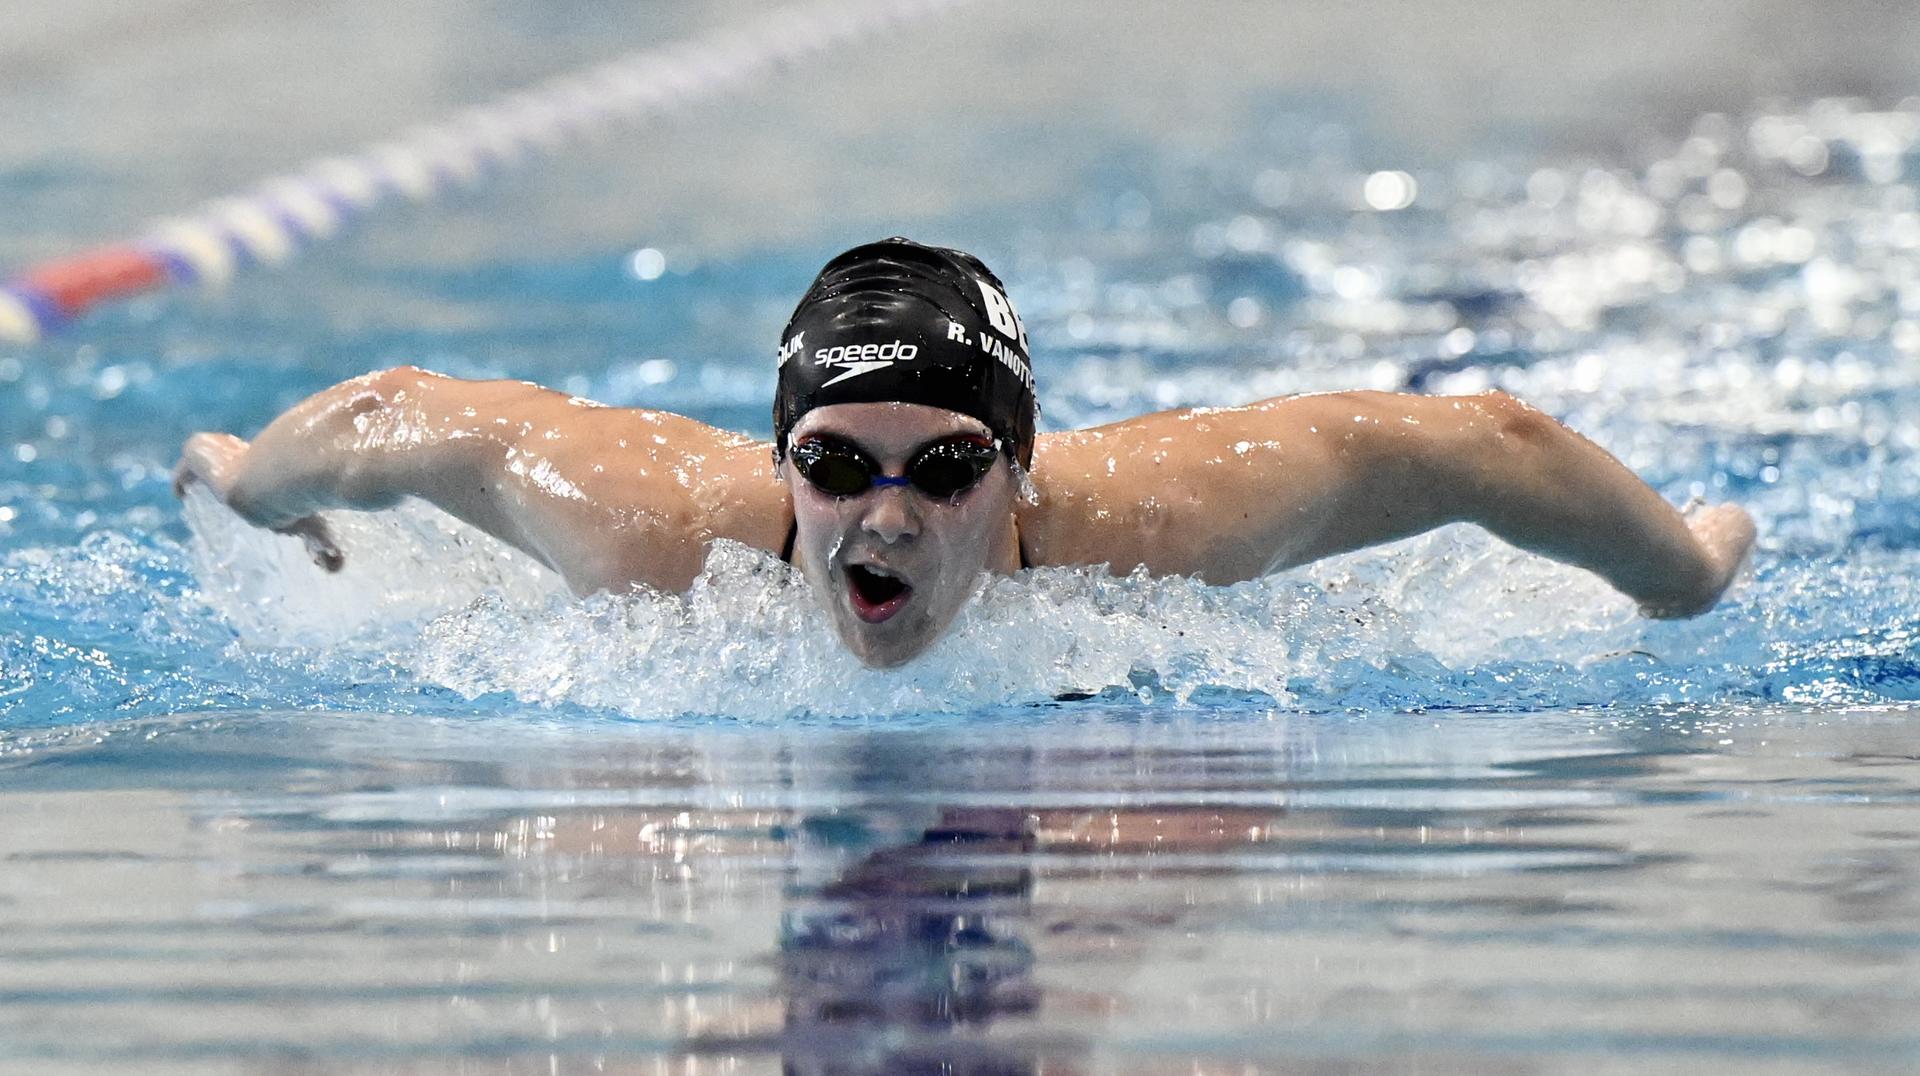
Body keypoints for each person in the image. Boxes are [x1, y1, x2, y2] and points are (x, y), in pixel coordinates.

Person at [174, 237, 1756, 667]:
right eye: (833, 463)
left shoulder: (1159, 530)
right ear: (775, 453)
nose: (881, 517)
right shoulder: (657, 534)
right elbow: (399, 415)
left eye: (942, 468)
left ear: (1020, 468)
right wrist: (256, 489)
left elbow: (1486, 440)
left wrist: (1678, 577)